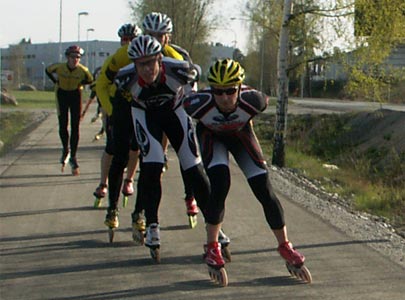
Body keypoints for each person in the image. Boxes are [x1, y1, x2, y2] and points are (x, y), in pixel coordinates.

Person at [183, 58, 310, 282]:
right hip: (212, 138)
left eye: (230, 91)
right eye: (218, 91)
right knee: (220, 184)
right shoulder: (196, 104)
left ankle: (285, 246)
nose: (223, 98)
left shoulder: (255, 100)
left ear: (240, 88)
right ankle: (212, 246)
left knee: (264, 189)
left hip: (241, 137)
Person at [117, 35, 210, 257]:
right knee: (152, 165)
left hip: (174, 110)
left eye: (151, 62)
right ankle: (152, 225)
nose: (147, 69)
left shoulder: (180, 70)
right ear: (134, 65)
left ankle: (213, 224)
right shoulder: (124, 79)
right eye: (141, 65)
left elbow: (194, 91)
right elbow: (123, 111)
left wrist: (194, 113)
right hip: (145, 114)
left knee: (193, 166)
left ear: (160, 58)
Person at [140, 11, 199, 225]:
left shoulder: (178, 55)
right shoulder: (137, 53)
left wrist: (193, 106)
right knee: (147, 159)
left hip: (176, 106)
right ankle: (143, 212)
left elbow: (192, 83)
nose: (156, 39)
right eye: (151, 34)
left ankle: (190, 195)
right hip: (149, 109)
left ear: (168, 37)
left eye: (161, 35)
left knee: (188, 156)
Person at [94, 24, 142, 216]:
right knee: (111, 147)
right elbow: (101, 85)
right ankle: (103, 183)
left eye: (131, 39)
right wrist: (110, 109)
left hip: (136, 107)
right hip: (116, 107)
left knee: (135, 147)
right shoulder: (116, 59)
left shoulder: (141, 56)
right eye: (124, 39)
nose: (127, 43)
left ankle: (129, 180)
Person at [46, 45, 93, 175]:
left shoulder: (83, 70)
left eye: (78, 57)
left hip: (75, 95)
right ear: (67, 57)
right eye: (72, 57)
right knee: (63, 124)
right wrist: (56, 81)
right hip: (62, 94)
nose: (75, 60)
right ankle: (65, 149)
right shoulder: (59, 67)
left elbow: (90, 79)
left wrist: (80, 83)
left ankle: (73, 155)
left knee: (75, 126)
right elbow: (48, 70)